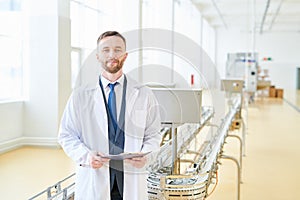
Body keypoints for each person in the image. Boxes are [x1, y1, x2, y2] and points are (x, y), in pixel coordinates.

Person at [58, 31, 162, 200]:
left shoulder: (144, 94)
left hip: (130, 176)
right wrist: (86, 156)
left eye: (118, 49)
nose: (112, 55)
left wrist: (146, 155)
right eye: (106, 50)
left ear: (125, 55)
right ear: (98, 56)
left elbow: (153, 135)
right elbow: (66, 135)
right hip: (95, 176)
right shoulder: (80, 95)